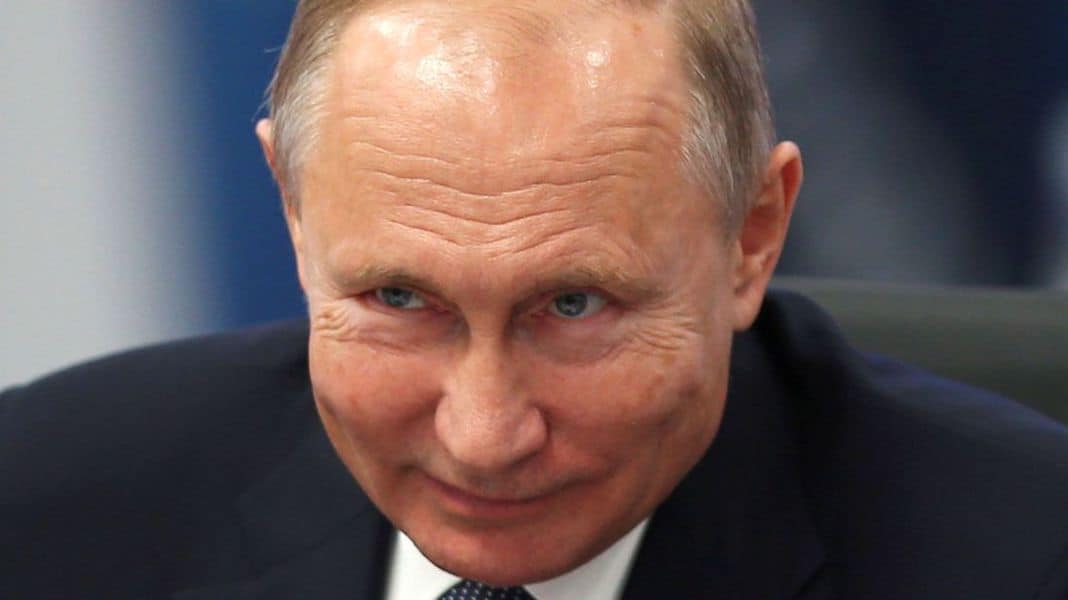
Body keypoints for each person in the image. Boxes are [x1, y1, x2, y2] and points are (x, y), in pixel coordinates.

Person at [3, 1, 1067, 598]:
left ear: (752, 237)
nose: (484, 437)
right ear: (293, 207)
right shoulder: (48, 510)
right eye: (400, 297)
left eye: (573, 306)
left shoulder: (1024, 560)